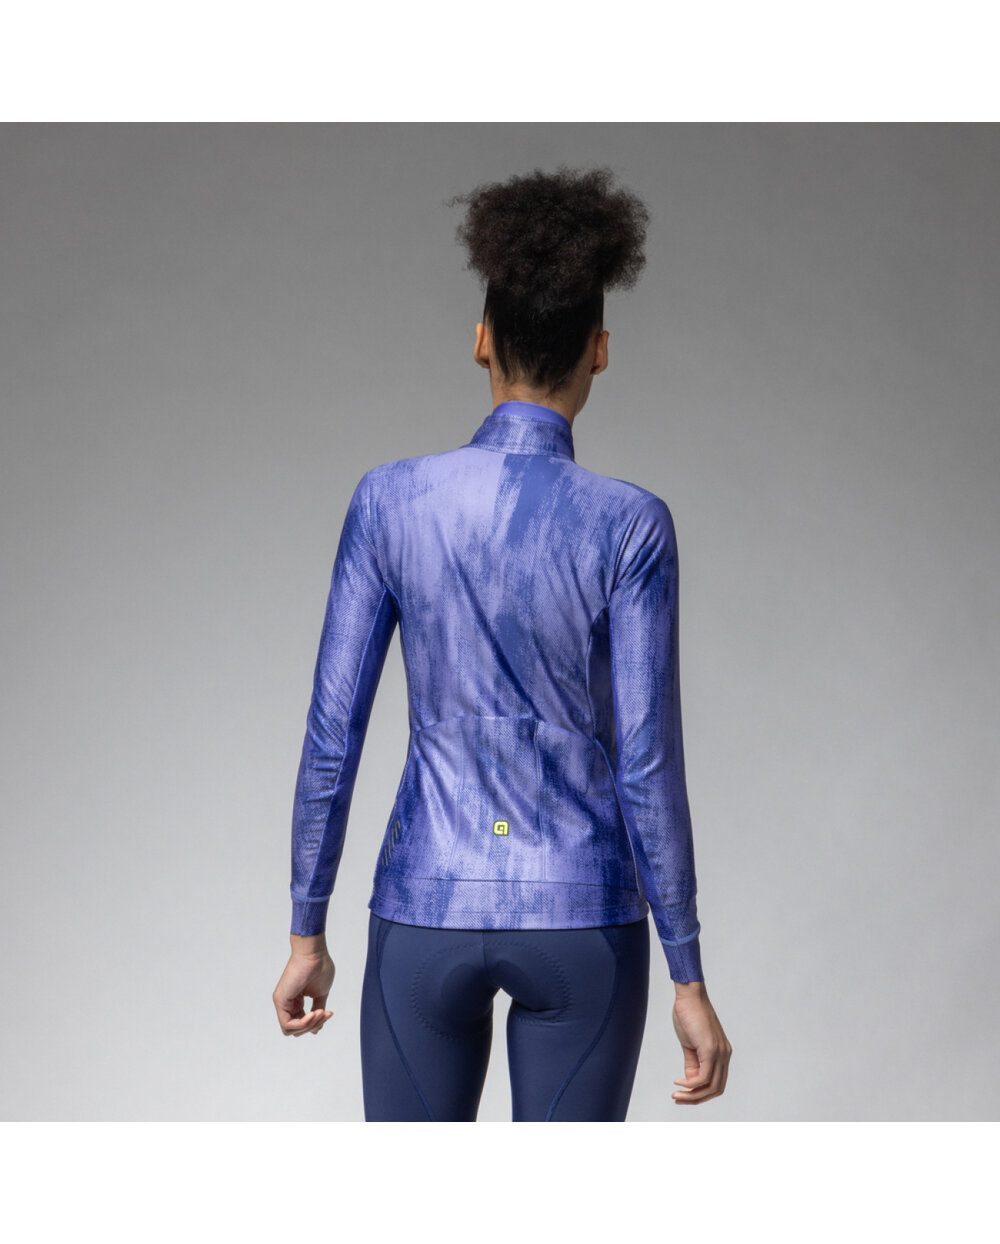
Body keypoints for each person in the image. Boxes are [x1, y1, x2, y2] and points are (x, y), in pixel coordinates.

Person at [272, 165, 732, 1121]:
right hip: (582, 917)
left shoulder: (389, 502)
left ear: (480, 338)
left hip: (424, 906)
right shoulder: (631, 526)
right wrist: (687, 973)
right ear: (599, 351)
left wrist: (306, 930)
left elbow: (331, 734)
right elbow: (647, 762)